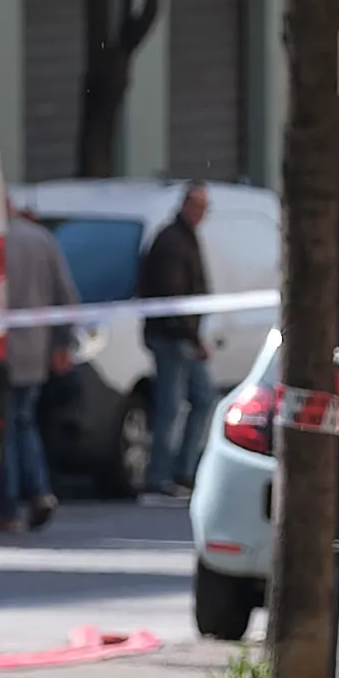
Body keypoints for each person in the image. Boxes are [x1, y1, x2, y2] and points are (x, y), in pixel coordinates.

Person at [0, 198, 78, 531]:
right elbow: (66, 295)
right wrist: (61, 343)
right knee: (23, 421)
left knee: (2, 426)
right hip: (36, 349)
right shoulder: (41, 239)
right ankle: (40, 490)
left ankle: (9, 505)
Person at [137, 181, 217, 500]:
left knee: (202, 399)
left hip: (179, 335)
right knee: (171, 407)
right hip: (173, 337)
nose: (203, 214)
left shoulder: (182, 237)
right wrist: (193, 337)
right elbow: (174, 297)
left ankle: (184, 470)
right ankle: (160, 475)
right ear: (187, 206)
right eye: (200, 206)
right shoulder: (173, 240)